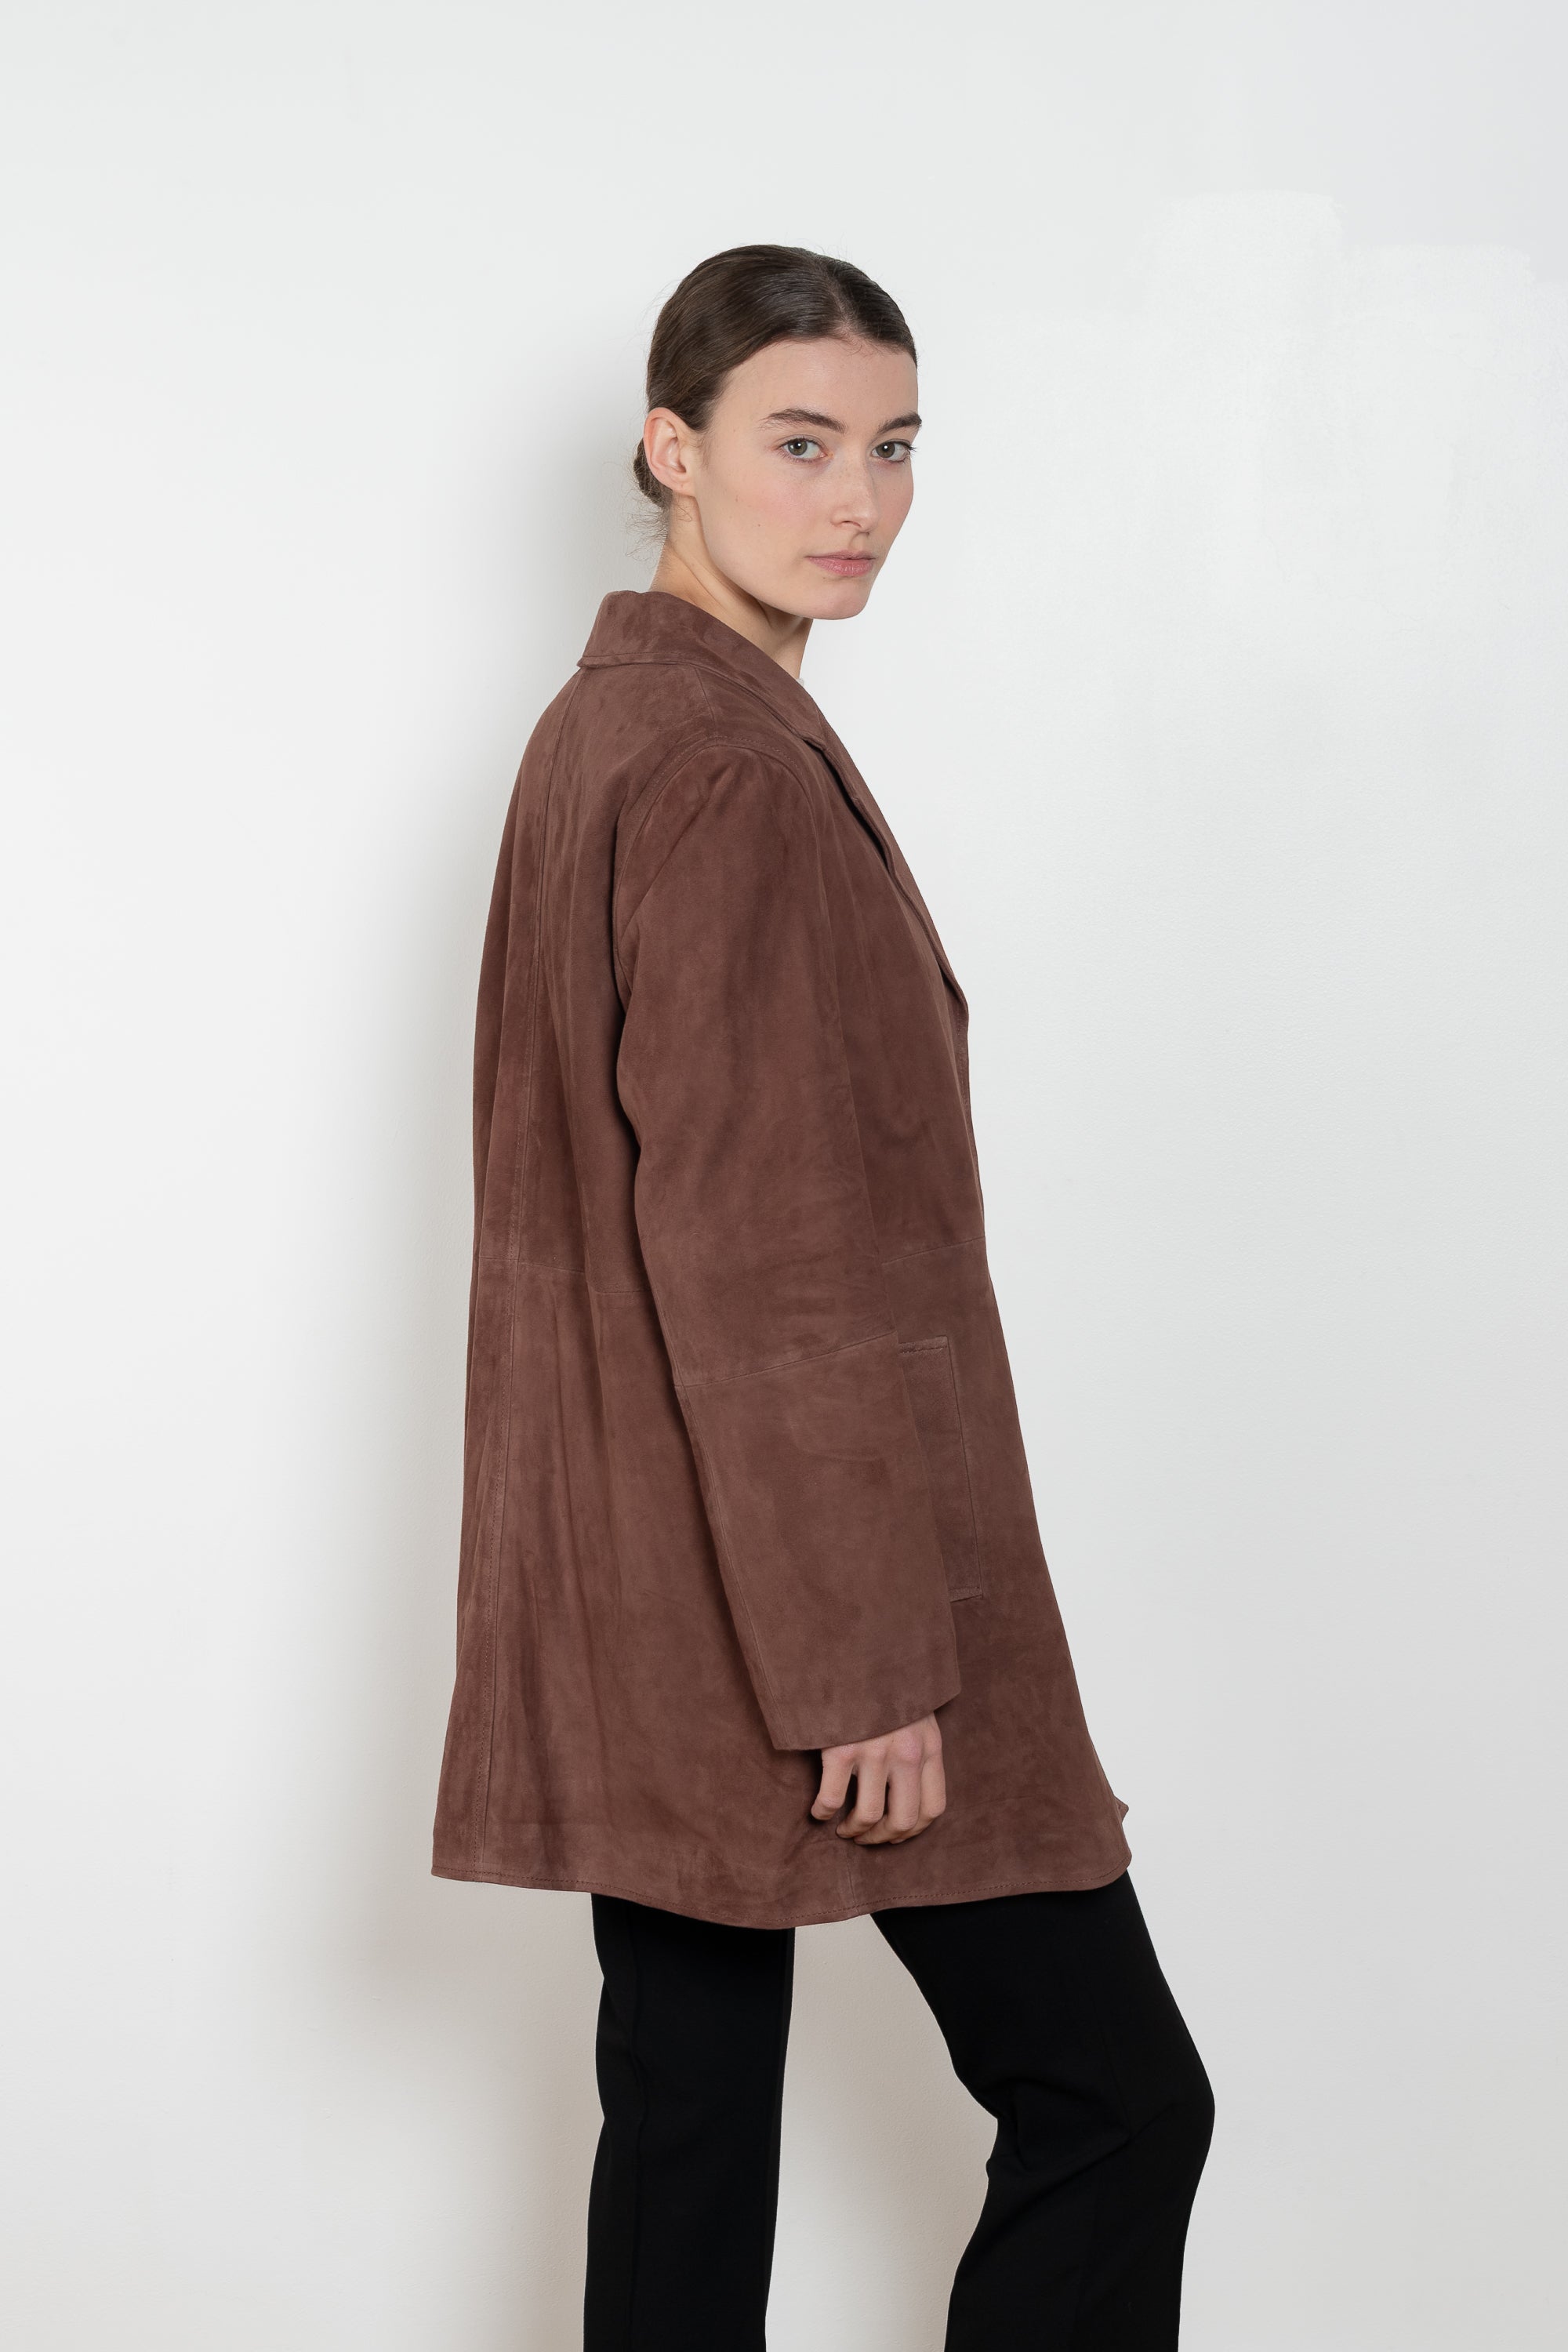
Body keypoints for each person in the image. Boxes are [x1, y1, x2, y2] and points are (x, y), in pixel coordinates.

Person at [432, 243, 1214, 2350]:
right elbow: (762, 1249)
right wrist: (863, 1658)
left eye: (894, 447)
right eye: (799, 443)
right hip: (801, 1608)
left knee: (688, 2138)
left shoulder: (601, 731)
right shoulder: (722, 770)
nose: (858, 499)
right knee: (1119, 2100)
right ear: (671, 450)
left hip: (649, 1589)